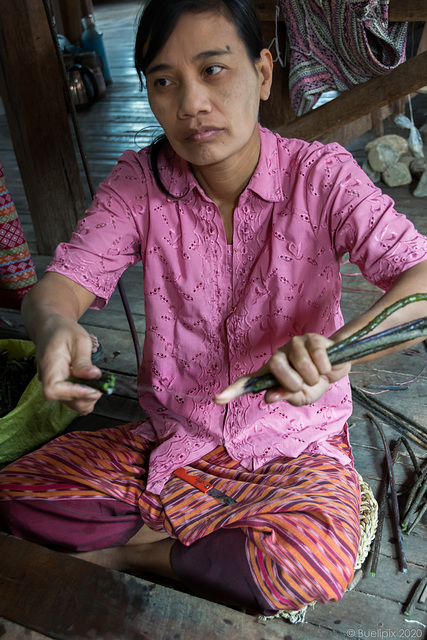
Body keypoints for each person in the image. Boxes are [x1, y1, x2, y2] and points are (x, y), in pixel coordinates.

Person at [1, 0, 427, 616]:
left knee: (309, 559)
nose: (191, 103)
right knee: (18, 496)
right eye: (164, 82)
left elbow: (420, 278)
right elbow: (59, 286)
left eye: (213, 70)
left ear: (263, 73)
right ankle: (199, 549)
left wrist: (335, 352)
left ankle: (129, 555)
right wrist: (55, 326)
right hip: (177, 441)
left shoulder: (320, 177)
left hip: (293, 450)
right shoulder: (139, 183)